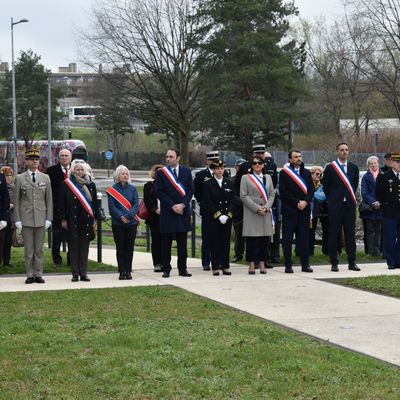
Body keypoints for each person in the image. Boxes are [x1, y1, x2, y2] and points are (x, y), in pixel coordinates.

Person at [14, 149, 53, 284]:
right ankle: (29, 274)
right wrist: (17, 219)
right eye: (31, 159)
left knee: (39, 249)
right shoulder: (20, 178)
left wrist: (49, 218)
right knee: (28, 250)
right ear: (27, 161)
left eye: (36, 159)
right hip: (26, 218)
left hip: (41, 218)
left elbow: (49, 200)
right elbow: (16, 200)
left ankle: (38, 273)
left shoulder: (45, 178)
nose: (34, 161)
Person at [155, 148, 194, 278]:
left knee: (182, 244)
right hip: (168, 211)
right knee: (166, 243)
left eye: (171, 157)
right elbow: (159, 192)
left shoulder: (186, 172)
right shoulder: (161, 173)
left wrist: (183, 204)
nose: (168, 159)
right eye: (167, 156)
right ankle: (166, 269)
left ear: (178, 158)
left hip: (183, 212)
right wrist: (172, 206)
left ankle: (183, 269)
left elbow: (190, 190)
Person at [322, 143, 360, 272]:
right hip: (335, 206)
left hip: (349, 206)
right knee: (333, 234)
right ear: (337, 152)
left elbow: (353, 186)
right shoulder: (330, 168)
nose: (345, 152)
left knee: (350, 234)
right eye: (342, 150)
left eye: (346, 150)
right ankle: (334, 262)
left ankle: (352, 262)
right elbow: (326, 187)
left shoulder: (354, 168)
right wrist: (334, 198)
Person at [60, 160, 99, 282]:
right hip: (72, 219)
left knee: (84, 248)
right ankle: (75, 274)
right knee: (73, 248)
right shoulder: (67, 184)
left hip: (86, 220)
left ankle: (84, 273)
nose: (80, 172)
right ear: (73, 170)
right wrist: (63, 219)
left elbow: (94, 205)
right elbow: (62, 203)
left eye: (82, 170)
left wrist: (95, 219)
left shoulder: (91, 184)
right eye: (77, 169)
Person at [279, 150, 314, 273]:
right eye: (295, 157)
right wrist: (297, 202)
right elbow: (283, 192)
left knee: (304, 239)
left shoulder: (306, 173)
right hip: (290, 211)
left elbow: (311, 190)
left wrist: (305, 202)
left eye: (299, 156)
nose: (298, 158)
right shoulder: (284, 173)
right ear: (290, 159)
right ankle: (288, 265)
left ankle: (305, 265)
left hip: (304, 211)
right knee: (287, 240)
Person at [240, 155, 275, 274]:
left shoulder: (268, 177)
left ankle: (262, 264)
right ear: (252, 165)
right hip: (252, 212)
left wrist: (266, 207)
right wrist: (257, 208)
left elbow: (272, 194)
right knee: (251, 241)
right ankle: (251, 264)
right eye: (254, 163)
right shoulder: (246, 177)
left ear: (263, 165)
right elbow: (243, 195)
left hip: (265, 212)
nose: (257, 165)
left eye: (259, 163)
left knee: (264, 241)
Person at [107, 165, 139, 280]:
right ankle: (121, 271)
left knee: (129, 248)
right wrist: (121, 216)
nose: (125, 175)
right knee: (120, 248)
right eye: (122, 173)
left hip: (131, 223)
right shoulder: (112, 190)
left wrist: (128, 216)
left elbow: (136, 204)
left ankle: (128, 271)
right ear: (117, 176)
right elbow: (112, 207)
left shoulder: (133, 189)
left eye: (126, 173)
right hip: (118, 223)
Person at [202, 160, 234, 276]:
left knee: (226, 242)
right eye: (217, 168)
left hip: (227, 217)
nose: (220, 170)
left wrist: (228, 214)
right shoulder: (208, 183)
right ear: (214, 170)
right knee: (215, 242)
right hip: (214, 218)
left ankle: (225, 266)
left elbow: (232, 201)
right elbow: (208, 201)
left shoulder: (229, 183)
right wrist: (218, 215)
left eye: (221, 168)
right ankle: (215, 266)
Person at [194, 150, 220, 271]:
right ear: (207, 161)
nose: (214, 162)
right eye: (212, 160)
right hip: (207, 211)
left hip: (220, 211)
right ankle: (206, 262)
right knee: (207, 237)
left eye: (216, 160)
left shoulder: (223, 173)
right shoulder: (200, 175)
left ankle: (219, 261)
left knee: (219, 237)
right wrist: (202, 204)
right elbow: (197, 192)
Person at [46, 148, 72, 267]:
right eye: (62, 156)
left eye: (66, 156)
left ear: (70, 158)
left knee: (72, 237)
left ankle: (71, 260)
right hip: (57, 209)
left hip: (73, 210)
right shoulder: (51, 171)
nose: (64, 158)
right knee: (57, 237)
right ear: (59, 158)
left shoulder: (76, 169)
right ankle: (57, 260)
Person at [375, 153, 400, 269]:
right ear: (392, 163)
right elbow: (379, 194)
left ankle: (398, 260)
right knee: (389, 238)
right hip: (390, 213)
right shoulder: (384, 176)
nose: (399, 165)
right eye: (397, 162)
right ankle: (391, 261)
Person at [360, 156, 383, 256]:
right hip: (369, 207)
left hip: (380, 207)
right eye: (371, 163)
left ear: (378, 163)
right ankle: (370, 251)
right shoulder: (365, 177)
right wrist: (373, 202)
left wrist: (380, 202)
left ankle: (377, 251)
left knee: (379, 230)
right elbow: (364, 193)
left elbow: (386, 192)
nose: (373, 165)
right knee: (369, 230)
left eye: (375, 163)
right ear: (368, 165)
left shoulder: (383, 175)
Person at [143, 164, 164, 273]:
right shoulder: (149, 185)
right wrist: (155, 209)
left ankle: (165, 262)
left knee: (165, 240)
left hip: (166, 216)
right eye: (158, 172)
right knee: (156, 240)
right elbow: (147, 199)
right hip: (154, 217)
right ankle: (157, 263)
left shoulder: (168, 185)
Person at [231, 158, 246, 262]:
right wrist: (244, 203)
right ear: (235, 167)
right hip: (238, 211)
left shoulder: (250, 179)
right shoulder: (233, 180)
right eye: (238, 166)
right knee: (239, 235)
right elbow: (233, 196)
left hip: (250, 210)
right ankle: (238, 254)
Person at [0, 167, 11, 266]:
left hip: (1, 215)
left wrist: (3, 218)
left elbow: (5, 198)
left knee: (3, 241)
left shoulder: (1, 177)